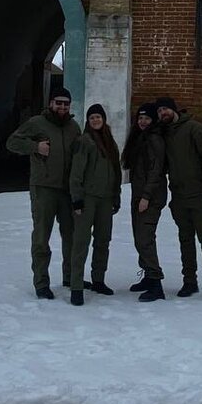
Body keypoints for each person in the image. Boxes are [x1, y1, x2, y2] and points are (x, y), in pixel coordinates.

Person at [6, 86, 81, 299]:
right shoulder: (37, 123)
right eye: (58, 103)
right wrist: (35, 147)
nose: (62, 107)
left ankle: (70, 277)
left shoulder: (74, 127)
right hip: (44, 188)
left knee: (71, 236)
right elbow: (12, 142)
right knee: (41, 236)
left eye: (66, 104)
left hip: (67, 190)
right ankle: (41, 282)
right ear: (51, 104)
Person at [156, 96, 202, 301]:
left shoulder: (194, 128)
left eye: (165, 110)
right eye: (159, 112)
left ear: (173, 110)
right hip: (179, 196)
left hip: (200, 195)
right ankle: (189, 281)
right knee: (185, 240)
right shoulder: (165, 133)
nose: (162, 114)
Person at [68, 103, 123, 306]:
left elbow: (116, 172)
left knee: (103, 240)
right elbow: (76, 174)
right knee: (81, 242)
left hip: (105, 199)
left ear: (104, 119)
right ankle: (76, 286)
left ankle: (98, 280)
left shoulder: (110, 142)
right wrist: (77, 199)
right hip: (87, 198)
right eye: (92, 118)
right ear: (88, 121)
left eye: (98, 117)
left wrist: (116, 195)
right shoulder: (85, 141)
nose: (96, 120)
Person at [121, 102, 167, 301]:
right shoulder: (140, 138)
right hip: (139, 195)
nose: (142, 121)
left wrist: (146, 197)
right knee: (139, 236)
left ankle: (156, 284)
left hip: (150, 197)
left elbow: (156, 171)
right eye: (140, 118)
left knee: (145, 238)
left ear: (153, 120)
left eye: (147, 118)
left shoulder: (155, 139)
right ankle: (148, 275)